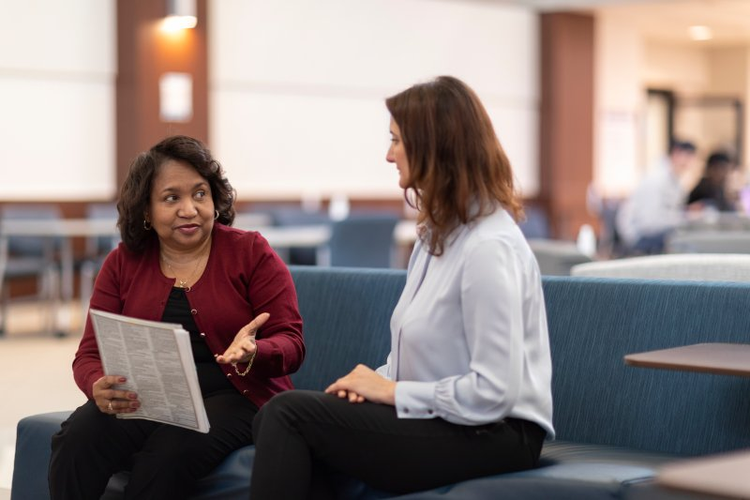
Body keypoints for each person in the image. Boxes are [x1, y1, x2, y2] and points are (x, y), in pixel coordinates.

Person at [249, 76, 554, 499]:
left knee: (287, 415)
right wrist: (371, 382)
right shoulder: (437, 236)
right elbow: (415, 358)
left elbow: (493, 394)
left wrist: (391, 392)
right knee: (275, 417)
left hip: (498, 434)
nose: (389, 155)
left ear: (434, 147)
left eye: (397, 140)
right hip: (444, 419)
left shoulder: (489, 247)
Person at [49, 135, 305, 499]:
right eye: (172, 198)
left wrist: (255, 352)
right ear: (146, 211)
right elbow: (89, 355)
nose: (190, 209)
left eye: (200, 194)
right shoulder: (122, 262)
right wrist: (96, 385)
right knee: (76, 437)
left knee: (168, 455)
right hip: (149, 397)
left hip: (238, 397)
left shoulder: (251, 252)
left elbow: (292, 342)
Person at [616, 139, 697, 254]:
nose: (689, 162)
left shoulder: (675, 181)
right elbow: (649, 224)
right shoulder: (656, 179)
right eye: (687, 156)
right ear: (675, 153)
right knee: (686, 244)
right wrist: (685, 218)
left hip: (654, 236)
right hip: (639, 240)